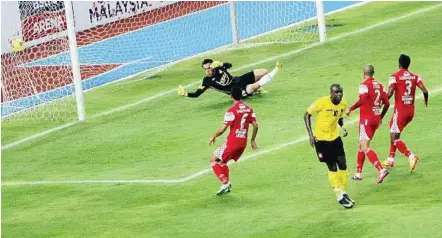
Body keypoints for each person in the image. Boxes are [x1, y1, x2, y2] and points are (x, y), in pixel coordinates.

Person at [304, 83, 354, 209]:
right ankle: (339, 195)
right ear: (330, 93)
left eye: (341, 92)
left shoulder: (343, 104)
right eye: (336, 92)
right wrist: (310, 134)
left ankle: (343, 191)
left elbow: (339, 117)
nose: (339, 94)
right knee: (332, 167)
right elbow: (307, 115)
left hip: (335, 138)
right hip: (321, 140)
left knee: (343, 164)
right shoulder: (321, 102)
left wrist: (343, 127)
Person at [208, 86, 259, 195]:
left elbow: (222, 129)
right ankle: (225, 185)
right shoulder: (249, 109)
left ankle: (225, 183)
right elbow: (255, 125)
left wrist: (213, 136)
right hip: (243, 143)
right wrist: (252, 140)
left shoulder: (231, 111)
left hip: (232, 142)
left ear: (231, 96)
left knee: (213, 160)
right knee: (223, 162)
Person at [382, 54, 428, 172]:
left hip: (400, 111)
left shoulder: (394, 76)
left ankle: (411, 156)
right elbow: (425, 91)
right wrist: (425, 100)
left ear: (399, 64)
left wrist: (381, 102)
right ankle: (390, 159)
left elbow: (390, 92)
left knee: (394, 137)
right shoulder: (415, 76)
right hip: (410, 111)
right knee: (394, 131)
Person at [346, 65, 390, 183]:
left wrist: (350, 108)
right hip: (375, 119)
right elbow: (387, 104)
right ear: (373, 73)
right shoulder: (380, 85)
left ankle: (381, 170)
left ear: (363, 73)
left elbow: (363, 100)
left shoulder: (364, 85)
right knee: (361, 145)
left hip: (366, 120)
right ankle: (358, 173)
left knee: (365, 147)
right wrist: (380, 117)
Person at [177, 59, 283, 98]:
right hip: (235, 91)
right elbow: (197, 94)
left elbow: (230, 65)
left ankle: (257, 89)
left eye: (209, 68)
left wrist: (221, 63)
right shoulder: (207, 81)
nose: (207, 70)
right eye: (205, 69)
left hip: (238, 80)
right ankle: (256, 90)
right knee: (252, 86)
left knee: (263, 71)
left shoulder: (219, 67)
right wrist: (185, 94)